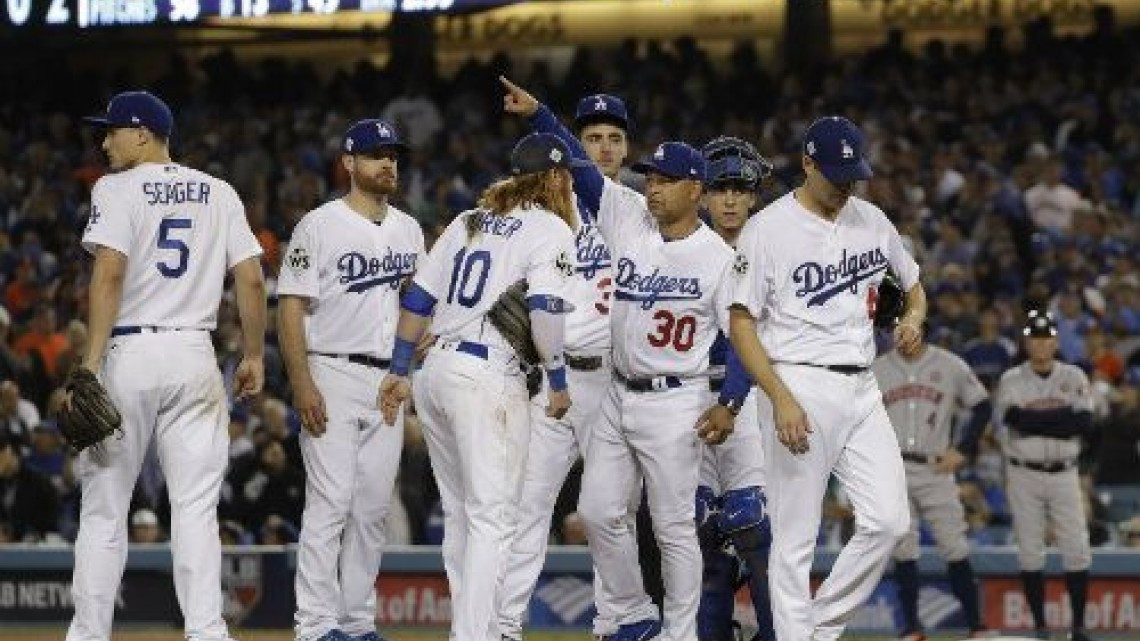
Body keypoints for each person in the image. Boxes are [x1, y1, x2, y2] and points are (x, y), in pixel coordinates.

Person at [503, 77, 752, 641]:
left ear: (697, 189)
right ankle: (632, 614)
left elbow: (741, 339)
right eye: (652, 178)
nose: (654, 187)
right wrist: (540, 113)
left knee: (672, 528)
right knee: (596, 512)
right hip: (617, 391)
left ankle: (680, 632)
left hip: (675, 400)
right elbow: (581, 166)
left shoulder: (719, 258)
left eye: (665, 180)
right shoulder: (628, 217)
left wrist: (731, 403)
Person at [71, 90, 266, 641]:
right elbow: (251, 278)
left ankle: (87, 635)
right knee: (196, 511)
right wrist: (252, 355)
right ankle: (207, 633)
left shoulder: (115, 186)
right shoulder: (219, 190)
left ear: (142, 134)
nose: (104, 141)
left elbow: (109, 274)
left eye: (111, 131)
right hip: (194, 356)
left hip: (130, 352)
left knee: (105, 511)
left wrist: (89, 364)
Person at [728, 115, 927, 641]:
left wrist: (911, 319)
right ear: (807, 163)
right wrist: (778, 395)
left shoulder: (871, 219)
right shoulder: (767, 229)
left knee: (889, 522)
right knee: (794, 542)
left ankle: (816, 628)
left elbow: (914, 286)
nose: (845, 186)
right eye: (836, 175)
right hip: (799, 381)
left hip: (863, 386)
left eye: (853, 176)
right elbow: (741, 322)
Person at [378, 132, 577, 641]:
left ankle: (473, 629)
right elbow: (547, 311)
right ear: (554, 178)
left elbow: (419, 298)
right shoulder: (550, 228)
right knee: (493, 518)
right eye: (566, 176)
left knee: (464, 516)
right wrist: (556, 380)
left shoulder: (469, 221)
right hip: (487, 375)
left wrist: (399, 370)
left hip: (438, 372)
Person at [497, 93, 637, 641]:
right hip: (554, 382)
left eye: (614, 138)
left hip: (612, 381)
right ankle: (504, 626)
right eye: (592, 138)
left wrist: (537, 113)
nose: (603, 147)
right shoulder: (534, 217)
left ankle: (611, 625)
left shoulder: (633, 210)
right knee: (527, 504)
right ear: (573, 147)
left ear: (627, 149)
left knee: (610, 513)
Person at [278, 118, 424, 641]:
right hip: (332, 369)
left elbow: (419, 304)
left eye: (393, 155)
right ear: (349, 163)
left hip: (388, 379)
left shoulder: (408, 228)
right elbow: (290, 307)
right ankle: (315, 626)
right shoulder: (318, 225)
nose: (388, 163)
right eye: (375, 155)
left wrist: (410, 362)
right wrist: (302, 383)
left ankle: (357, 622)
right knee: (330, 502)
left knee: (372, 509)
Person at [696, 136, 776, 641]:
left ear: (753, 196)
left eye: (738, 189)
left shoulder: (774, 249)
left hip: (756, 402)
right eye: (719, 188)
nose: (729, 199)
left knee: (757, 532)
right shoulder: (681, 248)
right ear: (701, 194)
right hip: (689, 398)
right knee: (703, 534)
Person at [871, 339, 994, 640]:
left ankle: (976, 627)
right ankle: (911, 628)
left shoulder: (950, 364)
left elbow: (983, 406)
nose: (906, 332)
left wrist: (963, 448)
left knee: (954, 545)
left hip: (935, 467)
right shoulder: (877, 368)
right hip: (893, 467)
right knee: (903, 547)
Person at [994, 310, 1096, 641]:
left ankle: (1078, 628)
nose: (1041, 343)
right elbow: (1016, 421)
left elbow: (1083, 425)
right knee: (1029, 550)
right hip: (1024, 474)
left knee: (1077, 548)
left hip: (1065, 473)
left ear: (1055, 341)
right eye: (1034, 338)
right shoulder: (1011, 378)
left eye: (1047, 337)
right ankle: (1041, 627)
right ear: (1026, 342)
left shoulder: (1074, 375)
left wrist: (1039, 418)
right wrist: (1062, 417)